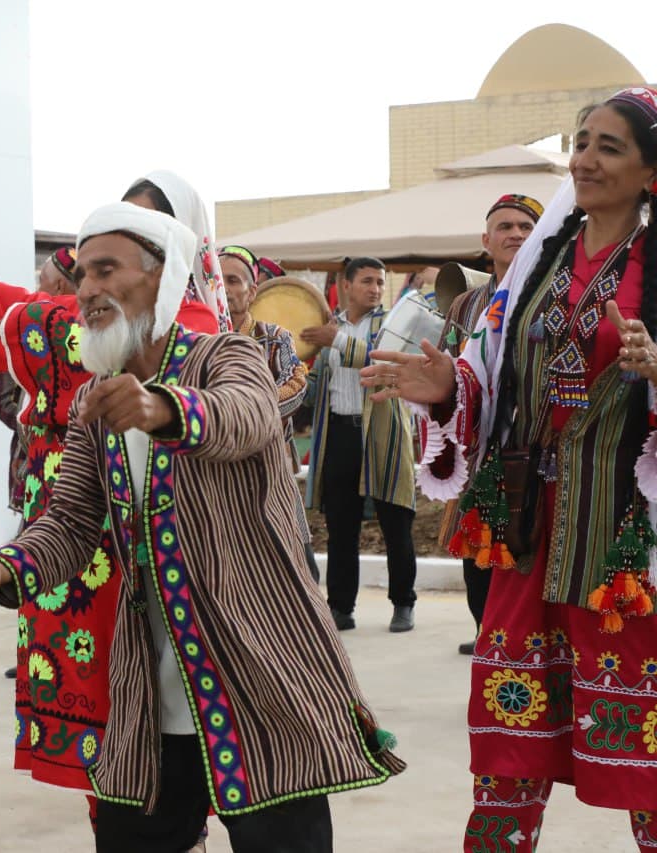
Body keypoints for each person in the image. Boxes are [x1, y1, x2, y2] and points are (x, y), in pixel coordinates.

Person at [0, 202, 404, 852]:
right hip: (149, 693)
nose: (89, 290)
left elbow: (246, 415)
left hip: (259, 674)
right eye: (81, 276)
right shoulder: (95, 403)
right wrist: (2, 567)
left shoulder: (229, 355)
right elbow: (70, 520)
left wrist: (163, 407)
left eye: (107, 270)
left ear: (163, 281)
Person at [0, 172, 223, 827]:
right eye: (92, 259)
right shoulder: (105, 326)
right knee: (129, 750)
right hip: (84, 545)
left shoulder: (199, 335)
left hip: (184, 582)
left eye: (128, 247)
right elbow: (68, 516)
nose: (98, 278)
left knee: (197, 751)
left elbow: (26, 321)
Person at [366, 87, 657, 852]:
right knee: (507, 739)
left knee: (648, 757)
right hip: (529, 529)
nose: (585, 159)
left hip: (625, 544)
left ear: (650, 170)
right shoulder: (540, 259)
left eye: (610, 147)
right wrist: (449, 388)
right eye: (583, 141)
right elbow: (492, 373)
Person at [434, 194, 542, 655]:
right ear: (486, 239)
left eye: (525, 226)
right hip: (477, 452)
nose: (515, 234)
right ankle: (487, 640)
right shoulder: (465, 304)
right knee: (476, 559)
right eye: (505, 227)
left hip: (536, 449)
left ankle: (521, 649)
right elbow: (442, 369)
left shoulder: (551, 293)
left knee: (528, 556)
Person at [301, 257, 419, 632]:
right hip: (338, 434)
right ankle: (341, 608)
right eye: (367, 281)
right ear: (346, 285)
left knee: (395, 521)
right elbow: (314, 385)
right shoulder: (328, 325)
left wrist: (333, 340)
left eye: (381, 282)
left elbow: (384, 360)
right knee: (341, 527)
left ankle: (404, 604)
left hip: (383, 434)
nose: (376, 289)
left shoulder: (391, 324)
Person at [219, 245, 318, 582]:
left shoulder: (274, 338)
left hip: (270, 464)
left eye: (234, 280)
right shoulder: (198, 339)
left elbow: (296, 386)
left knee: (296, 567)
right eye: (218, 280)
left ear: (253, 291)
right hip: (216, 473)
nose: (226, 288)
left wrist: (235, 416)